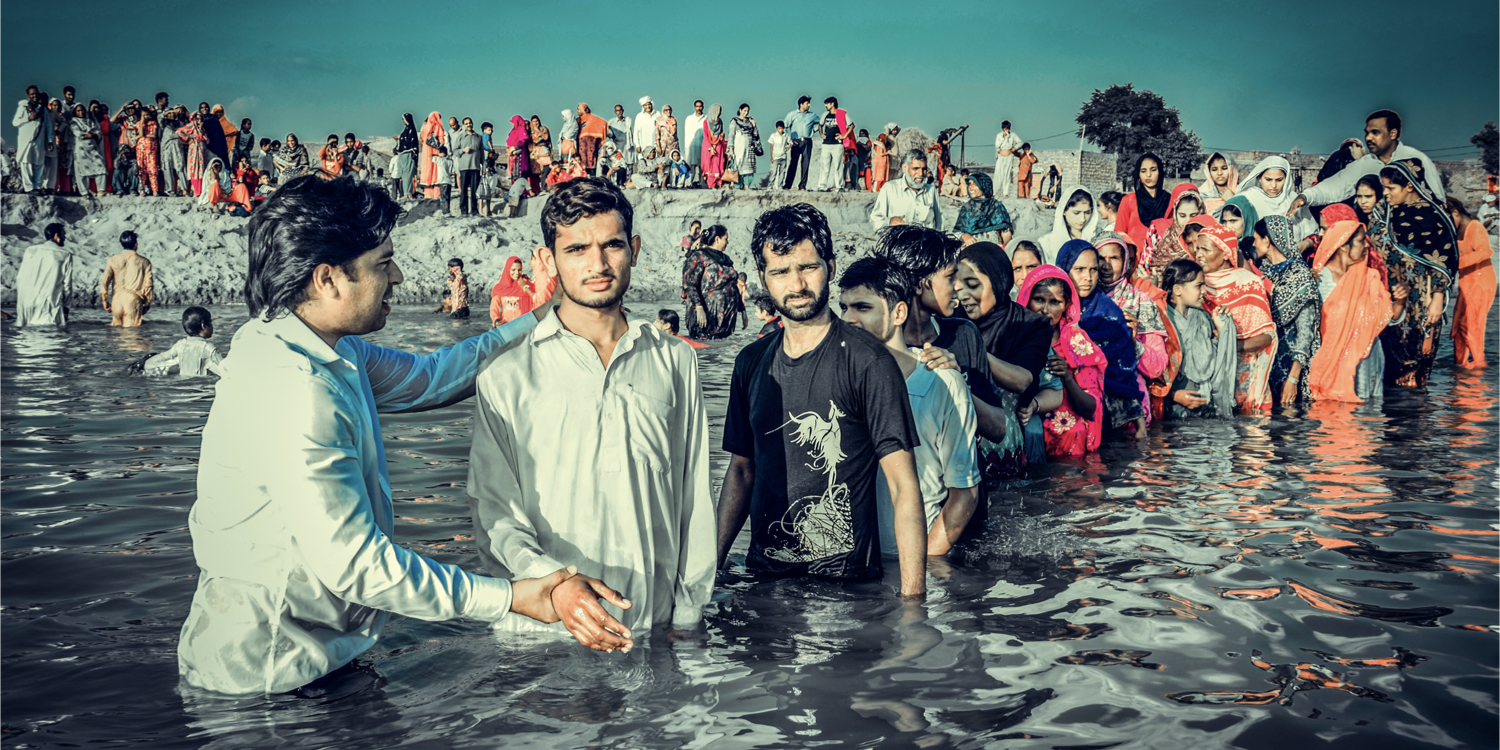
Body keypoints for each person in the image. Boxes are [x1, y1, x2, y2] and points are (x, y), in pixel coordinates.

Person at [176, 175, 580, 695]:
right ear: (327, 279)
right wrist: (509, 596)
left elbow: (433, 378)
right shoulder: (297, 387)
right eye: (383, 263)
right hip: (270, 681)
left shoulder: (324, 346)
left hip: (317, 658)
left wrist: (546, 316)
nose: (400, 276)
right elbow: (357, 564)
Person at [469, 176, 712, 649]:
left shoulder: (674, 359)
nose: (597, 264)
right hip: (543, 639)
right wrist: (557, 587)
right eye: (577, 249)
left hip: (652, 629)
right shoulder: (507, 373)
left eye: (612, 245)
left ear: (635, 249)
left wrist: (688, 616)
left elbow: (694, 500)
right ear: (548, 260)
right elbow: (495, 513)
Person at [716, 202, 927, 597]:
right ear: (763, 277)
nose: (795, 285)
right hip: (764, 580)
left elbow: (904, 487)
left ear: (829, 264)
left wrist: (914, 606)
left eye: (807, 267)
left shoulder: (868, 362)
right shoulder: (751, 363)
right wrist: (710, 568)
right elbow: (742, 471)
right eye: (780, 272)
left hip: (844, 588)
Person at [838, 256, 980, 557]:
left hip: (914, 560)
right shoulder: (835, 377)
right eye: (844, 308)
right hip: (847, 567)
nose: (849, 319)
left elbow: (965, 493)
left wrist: (925, 561)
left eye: (863, 307)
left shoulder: (941, 381)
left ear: (899, 312)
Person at [953, 241, 1052, 472]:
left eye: (973, 285)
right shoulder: (951, 320)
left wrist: (973, 350)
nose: (964, 296)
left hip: (1001, 444)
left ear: (998, 281)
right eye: (958, 287)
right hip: (955, 439)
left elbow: (1022, 380)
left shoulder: (1031, 324)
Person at [1370, 161, 1459, 388]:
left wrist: (1438, 298)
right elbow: (1372, 242)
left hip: (1423, 299)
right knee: (1387, 365)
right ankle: (1389, 419)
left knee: (1416, 363)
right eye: (1384, 188)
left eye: (1391, 188)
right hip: (1389, 295)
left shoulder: (1436, 215)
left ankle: (1418, 417)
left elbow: (1445, 261)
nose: (1386, 194)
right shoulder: (1384, 211)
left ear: (1409, 186)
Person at [1054, 240, 1146, 433]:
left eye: (1093, 270)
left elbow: (1123, 372)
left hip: (1105, 414)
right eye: (1079, 269)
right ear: (1064, 269)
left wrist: (1139, 424)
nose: (1087, 277)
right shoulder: (1051, 309)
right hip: (1055, 407)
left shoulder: (1110, 314)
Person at [1018, 265, 1105, 457]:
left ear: (1066, 305)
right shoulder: (1014, 335)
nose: (1045, 310)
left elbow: (1091, 408)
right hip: (1024, 430)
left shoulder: (1077, 343)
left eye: (1055, 302)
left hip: (1069, 444)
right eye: (1039, 299)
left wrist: (1066, 377)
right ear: (1026, 299)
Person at [1290, 110, 1446, 214]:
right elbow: (1335, 187)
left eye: (1375, 132)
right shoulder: (1365, 164)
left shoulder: (1417, 160)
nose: (1368, 138)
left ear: (1393, 133)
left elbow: (1439, 201)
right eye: (1367, 133)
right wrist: (1305, 197)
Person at [1308, 220, 1395, 403]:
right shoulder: (1318, 281)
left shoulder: (1369, 278)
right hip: (1332, 362)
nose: (1366, 246)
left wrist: (1400, 302)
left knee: (1368, 421)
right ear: (1344, 246)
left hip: (1367, 361)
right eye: (1361, 241)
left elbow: (1384, 319)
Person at [1194, 224, 1276, 412]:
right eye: (1197, 248)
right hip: (1210, 381)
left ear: (1224, 253)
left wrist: (1227, 345)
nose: (1198, 254)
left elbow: (1266, 336)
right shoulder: (1194, 284)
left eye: (1205, 249)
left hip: (1247, 381)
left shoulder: (1248, 282)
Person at [1094, 235, 1169, 430]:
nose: (1106, 265)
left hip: (1131, 403)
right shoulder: (1080, 299)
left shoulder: (1140, 302)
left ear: (1126, 263)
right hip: (1090, 400)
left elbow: (1157, 367)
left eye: (1114, 258)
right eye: (1101, 258)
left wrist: (1133, 343)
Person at [1249, 216, 1322, 406]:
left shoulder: (1301, 276)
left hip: (1293, 367)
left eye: (1257, 238)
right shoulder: (1262, 273)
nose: (1254, 243)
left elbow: (1306, 332)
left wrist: (1293, 378)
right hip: (1268, 366)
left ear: (1267, 240)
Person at [1161, 258, 1237, 419]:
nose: (1204, 291)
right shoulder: (1161, 320)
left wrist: (1222, 329)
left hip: (1205, 408)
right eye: (1198, 286)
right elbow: (1150, 371)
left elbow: (1215, 362)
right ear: (1177, 289)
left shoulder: (1203, 318)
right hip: (1172, 409)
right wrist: (1173, 395)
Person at [1449, 196, 1495, 369]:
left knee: (1471, 325)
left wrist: (1456, 263)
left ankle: (1479, 365)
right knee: (1458, 327)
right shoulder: (1457, 229)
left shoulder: (1475, 227)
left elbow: (1485, 252)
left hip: (1481, 282)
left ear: (1456, 212)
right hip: (1466, 283)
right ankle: (1460, 365)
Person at [1234, 155, 1316, 239]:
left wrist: (1303, 245)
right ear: (1259, 178)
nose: (1273, 185)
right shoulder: (1249, 198)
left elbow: (1312, 234)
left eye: (1279, 180)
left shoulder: (1294, 199)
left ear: (1286, 179)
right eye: (1268, 180)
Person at [1139, 186, 1209, 284]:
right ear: (1175, 213)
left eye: (1193, 215)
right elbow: (1146, 266)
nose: (1187, 221)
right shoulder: (1158, 230)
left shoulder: (1208, 235)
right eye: (1182, 215)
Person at [682, 224, 741, 339]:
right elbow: (689, 284)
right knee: (704, 348)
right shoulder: (699, 256)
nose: (727, 242)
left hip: (725, 317)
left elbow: (732, 284)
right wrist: (699, 308)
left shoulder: (726, 259)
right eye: (726, 239)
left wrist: (742, 310)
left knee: (720, 351)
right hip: (706, 313)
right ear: (717, 239)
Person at [14, 222, 71, 328]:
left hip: (25, 303)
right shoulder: (65, 254)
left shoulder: (30, 250)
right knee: (50, 337)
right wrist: (66, 308)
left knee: (26, 339)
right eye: (63, 234)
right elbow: (67, 285)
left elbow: (20, 278)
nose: (65, 237)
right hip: (47, 304)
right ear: (56, 235)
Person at [869, 150, 941, 230]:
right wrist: (889, 222)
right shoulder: (890, 188)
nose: (921, 173)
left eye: (924, 169)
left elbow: (940, 224)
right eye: (915, 168)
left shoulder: (931, 191)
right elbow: (874, 219)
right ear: (904, 168)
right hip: (898, 241)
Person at [143, 307, 223, 378]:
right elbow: (228, 370)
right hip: (202, 390)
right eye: (210, 323)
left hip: (181, 391)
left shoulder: (180, 345)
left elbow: (150, 363)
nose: (212, 326)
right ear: (203, 325)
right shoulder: (208, 347)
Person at [1115, 153, 1170, 251]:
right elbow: (1119, 234)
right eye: (1143, 171)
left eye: (1153, 170)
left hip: (1163, 259)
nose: (1148, 175)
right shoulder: (1128, 200)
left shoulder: (1169, 200)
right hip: (1135, 261)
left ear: (1160, 172)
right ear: (1138, 175)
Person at [100, 230, 153, 327]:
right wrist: (148, 302)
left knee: (118, 335)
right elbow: (148, 284)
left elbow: (104, 281)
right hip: (133, 299)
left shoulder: (113, 260)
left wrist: (104, 300)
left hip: (117, 300)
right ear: (136, 244)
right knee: (132, 334)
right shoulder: (144, 262)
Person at [1038, 186, 1100, 263]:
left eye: (1087, 213)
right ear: (1063, 210)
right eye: (1076, 213)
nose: (1082, 219)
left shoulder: (1099, 238)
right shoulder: (1047, 243)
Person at [955, 173, 1013, 247]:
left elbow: (1006, 233)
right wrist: (964, 236)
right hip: (971, 250)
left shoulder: (996, 206)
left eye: (975, 184)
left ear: (984, 185)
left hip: (994, 250)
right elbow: (957, 232)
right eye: (969, 184)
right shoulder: (967, 208)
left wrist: (1001, 247)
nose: (970, 187)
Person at [813, 97, 851, 192]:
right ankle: (822, 186)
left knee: (838, 166)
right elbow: (820, 125)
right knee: (824, 166)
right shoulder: (825, 114)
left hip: (837, 144)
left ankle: (839, 186)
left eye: (827, 103)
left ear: (832, 103)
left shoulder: (842, 113)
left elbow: (851, 125)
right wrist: (821, 134)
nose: (826, 106)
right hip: (826, 144)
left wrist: (844, 135)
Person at [13, 85, 45, 193]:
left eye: (36, 93)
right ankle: (28, 187)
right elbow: (15, 122)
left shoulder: (42, 109)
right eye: (32, 94)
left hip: (39, 140)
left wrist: (49, 139)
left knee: (38, 163)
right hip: (26, 140)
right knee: (25, 163)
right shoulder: (23, 107)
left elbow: (48, 125)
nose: (34, 95)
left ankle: (37, 186)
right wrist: (28, 118)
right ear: (28, 95)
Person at [68, 104, 106, 196]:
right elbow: (78, 133)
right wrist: (91, 134)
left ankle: (101, 190)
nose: (81, 112)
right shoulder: (73, 122)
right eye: (78, 111)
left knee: (100, 166)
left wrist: (93, 135)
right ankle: (84, 192)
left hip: (93, 148)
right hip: (80, 149)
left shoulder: (90, 121)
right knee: (81, 171)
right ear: (75, 112)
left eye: (82, 110)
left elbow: (98, 132)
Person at [781, 96, 817, 190]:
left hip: (807, 141)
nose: (809, 105)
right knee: (793, 163)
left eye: (809, 103)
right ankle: (787, 185)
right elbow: (784, 126)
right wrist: (790, 139)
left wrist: (814, 130)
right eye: (807, 103)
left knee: (805, 164)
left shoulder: (812, 115)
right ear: (801, 104)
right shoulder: (792, 114)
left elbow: (821, 122)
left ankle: (802, 185)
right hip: (796, 142)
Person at [451, 118, 483, 215]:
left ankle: (474, 210)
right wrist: (463, 150)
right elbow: (455, 151)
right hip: (464, 167)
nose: (468, 125)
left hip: (476, 167)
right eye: (466, 124)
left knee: (474, 190)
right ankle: (463, 211)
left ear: (472, 124)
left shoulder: (478, 137)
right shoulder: (460, 137)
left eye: (470, 123)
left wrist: (484, 166)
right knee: (464, 190)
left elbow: (482, 153)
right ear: (463, 125)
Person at [729, 104, 759, 190]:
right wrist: (731, 148)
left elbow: (755, 135)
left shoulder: (750, 121)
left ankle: (747, 185)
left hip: (749, 147)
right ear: (740, 110)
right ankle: (737, 185)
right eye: (744, 110)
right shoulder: (734, 121)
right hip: (738, 146)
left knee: (748, 166)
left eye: (747, 111)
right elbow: (731, 135)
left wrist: (754, 125)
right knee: (738, 165)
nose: (746, 113)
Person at [700, 104, 727, 189]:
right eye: (718, 111)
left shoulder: (720, 122)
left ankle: (718, 183)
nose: (720, 113)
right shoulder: (706, 122)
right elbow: (706, 135)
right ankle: (710, 184)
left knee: (718, 165)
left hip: (718, 146)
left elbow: (721, 133)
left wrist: (722, 137)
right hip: (708, 146)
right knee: (709, 165)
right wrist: (711, 148)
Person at [993, 121, 1021, 198]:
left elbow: (1020, 142)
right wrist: (1003, 138)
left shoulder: (1013, 135)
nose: (1007, 130)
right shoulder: (999, 135)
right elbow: (997, 145)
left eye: (1008, 128)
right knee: (998, 174)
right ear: (1003, 128)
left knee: (1007, 174)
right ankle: (994, 192)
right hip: (1001, 156)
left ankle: (1006, 193)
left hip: (1009, 156)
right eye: (1005, 128)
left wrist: (1015, 148)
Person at [682, 100, 706, 187]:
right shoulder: (689, 118)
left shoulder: (706, 118)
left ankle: (702, 183)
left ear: (703, 107)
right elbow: (687, 133)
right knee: (691, 165)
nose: (699, 108)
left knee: (702, 165)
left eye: (700, 106)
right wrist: (687, 146)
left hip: (702, 145)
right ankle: (689, 183)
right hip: (691, 145)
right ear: (694, 107)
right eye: (697, 106)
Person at [633, 96, 659, 167]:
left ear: (651, 104)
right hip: (643, 144)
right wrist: (637, 145)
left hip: (655, 144)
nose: (647, 106)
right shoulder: (639, 116)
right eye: (645, 105)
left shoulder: (657, 114)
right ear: (643, 106)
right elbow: (636, 132)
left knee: (656, 162)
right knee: (643, 163)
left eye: (649, 104)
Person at [767, 120, 791, 190]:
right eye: (779, 128)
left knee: (782, 172)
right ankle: (770, 185)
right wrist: (771, 157)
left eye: (782, 128)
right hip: (775, 157)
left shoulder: (786, 136)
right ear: (777, 128)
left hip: (783, 156)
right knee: (774, 172)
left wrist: (787, 149)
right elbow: (771, 146)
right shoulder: (773, 136)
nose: (781, 130)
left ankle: (780, 186)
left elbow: (791, 143)